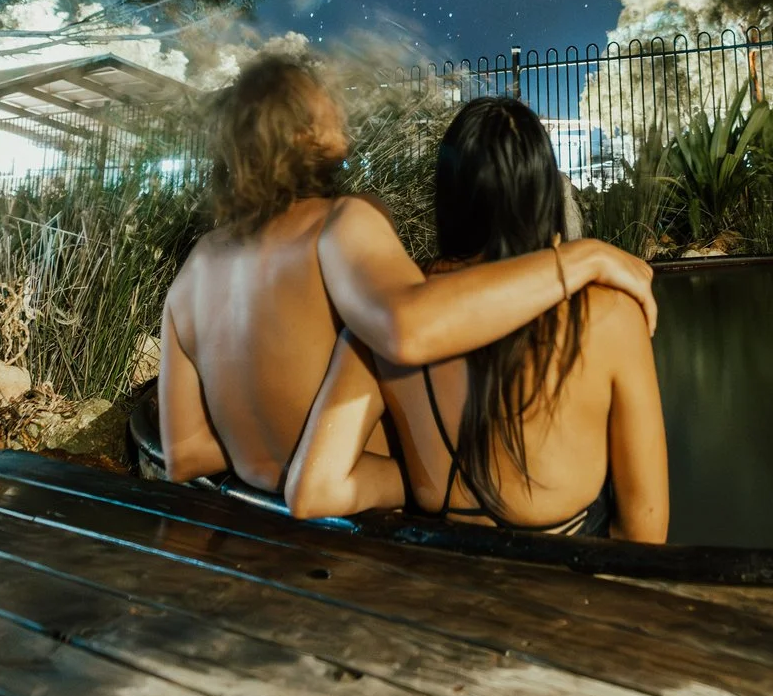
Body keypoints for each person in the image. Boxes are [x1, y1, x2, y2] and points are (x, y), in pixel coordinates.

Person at [158, 55, 658, 497]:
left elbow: (186, 454)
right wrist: (582, 259)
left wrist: (270, 452)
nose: (337, 101)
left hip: (260, 528)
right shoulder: (341, 221)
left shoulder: (195, 269)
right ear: (295, 133)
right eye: (319, 96)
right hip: (366, 533)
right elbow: (408, 330)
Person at [283, 96, 669, 541]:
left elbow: (316, 488)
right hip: (568, 584)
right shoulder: (609, 316)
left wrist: (420, 478)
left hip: (442, 582)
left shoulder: (386, 320)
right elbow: (646, 528)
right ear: (544, 193)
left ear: (447, 196)